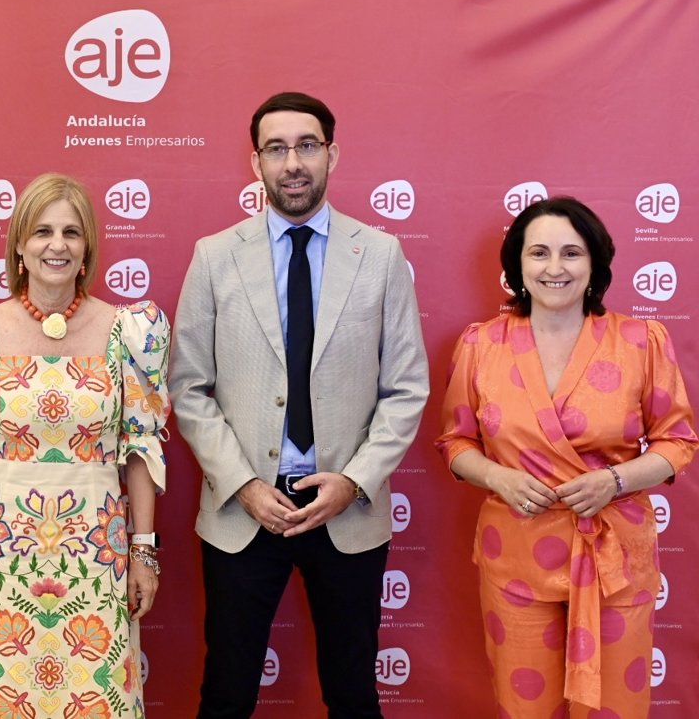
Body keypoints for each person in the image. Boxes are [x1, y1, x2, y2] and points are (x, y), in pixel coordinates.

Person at [171, 92, 429, 719]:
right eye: (277, 148)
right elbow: (188, 386)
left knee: (353, 694)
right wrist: (242, 484)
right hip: (244, 510)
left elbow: (406, 388)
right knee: (226, 692)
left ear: (331, 155)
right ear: (255, 162)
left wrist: (354, 481)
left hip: (346, 508)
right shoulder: (215, 255)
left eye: (307, 146)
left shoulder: (380, 255)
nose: (293, 162)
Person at [436, 196, 697, 718]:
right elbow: (455, 442)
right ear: (517, 265)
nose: (555, 268)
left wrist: (614, 481)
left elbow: (678, 441)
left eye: (571, 253)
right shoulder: (482, 344)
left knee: (616, 707)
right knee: (525, 705)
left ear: (595, 263)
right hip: (516, 553)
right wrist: (499, 478)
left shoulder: (640, 341)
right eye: (539, 253)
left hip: (615, 558)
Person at [0, 172, 170, 718]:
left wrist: (143, 553)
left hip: (98, 553)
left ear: (87, 248)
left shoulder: (129, 331)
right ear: (19, 246)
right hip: (2, 554)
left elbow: (140, 446)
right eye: (42, 231)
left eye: (71, 232)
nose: (57, 245)